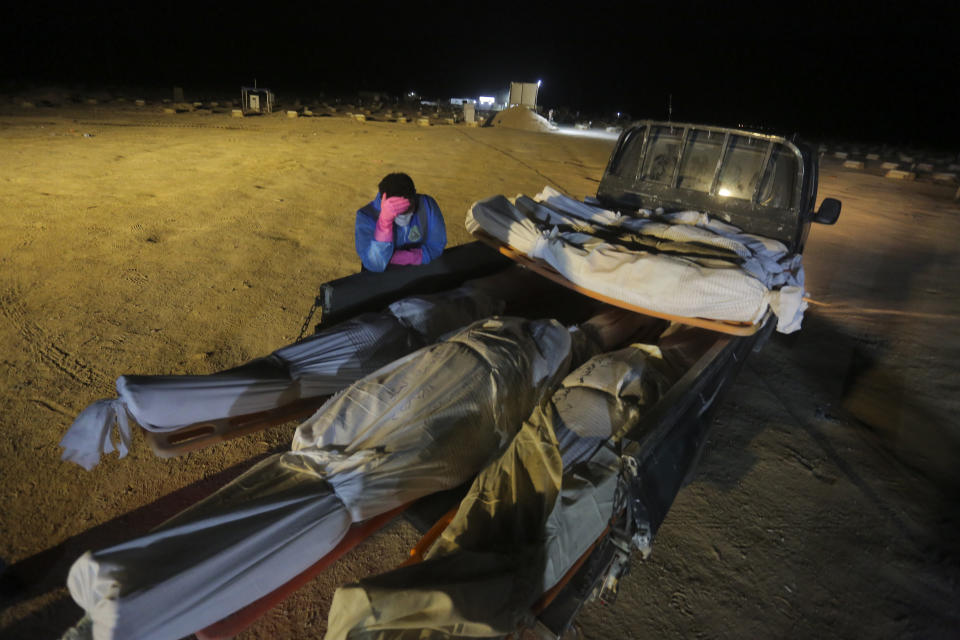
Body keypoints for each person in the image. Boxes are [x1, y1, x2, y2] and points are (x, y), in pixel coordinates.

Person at [355, 173, 447, 272]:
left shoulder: (427, 206)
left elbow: (436, 246)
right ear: (383, 201)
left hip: (418, 270)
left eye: (408, 209)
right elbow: (375, 264)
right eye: (396, 213)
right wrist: (384, 223)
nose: (403, 217)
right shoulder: (365, 216)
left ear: (414, 195)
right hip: (381, 278)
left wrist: (396, 258)